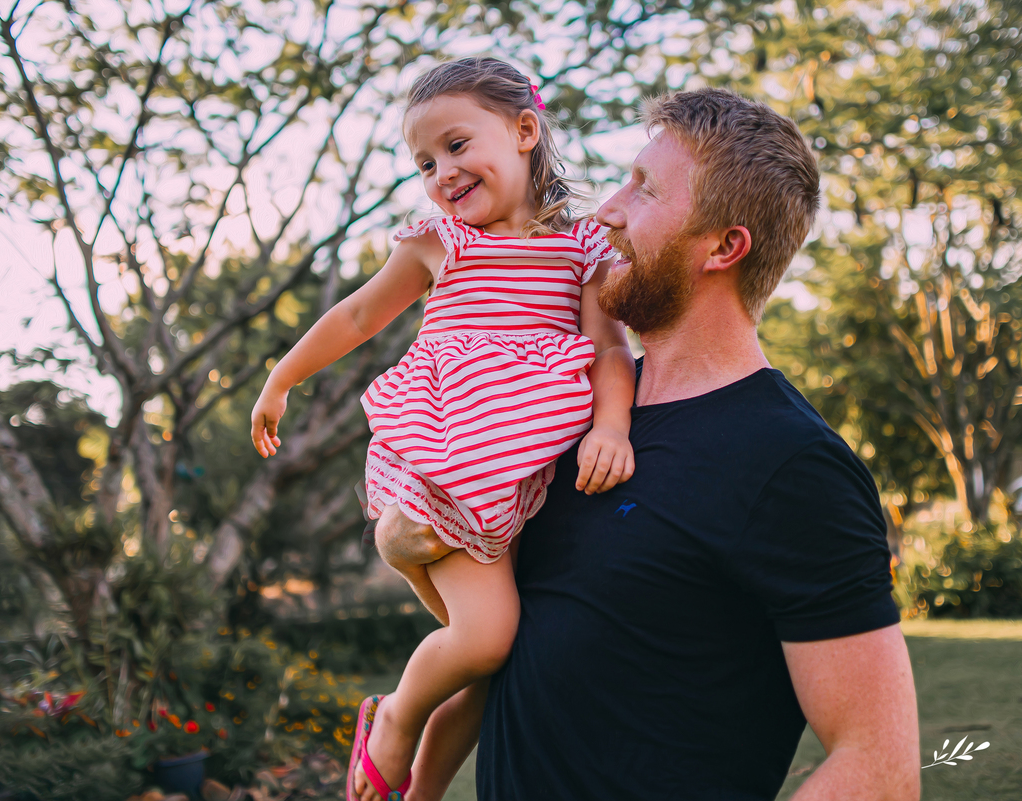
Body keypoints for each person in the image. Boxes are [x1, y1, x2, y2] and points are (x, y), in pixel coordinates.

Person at [382, 88, 922, 801]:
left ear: (724, 247)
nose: (606, 209)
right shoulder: (565, 411)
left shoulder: (793, 466)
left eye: (643, 189)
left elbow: (879, 769)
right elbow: (514, 644)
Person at [249, 57, 637, 801]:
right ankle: (394, 717)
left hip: (519, 479)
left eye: (457, 146)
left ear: (525, 130)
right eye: (426, 161)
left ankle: (418, 792)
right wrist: (282, 377)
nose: (442, 171)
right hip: (446, 463)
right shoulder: (442, 241)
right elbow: (359, 314)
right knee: (488, 638)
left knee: (496, 662)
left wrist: (612, 425)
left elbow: (611, 349)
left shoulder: (583, 249)